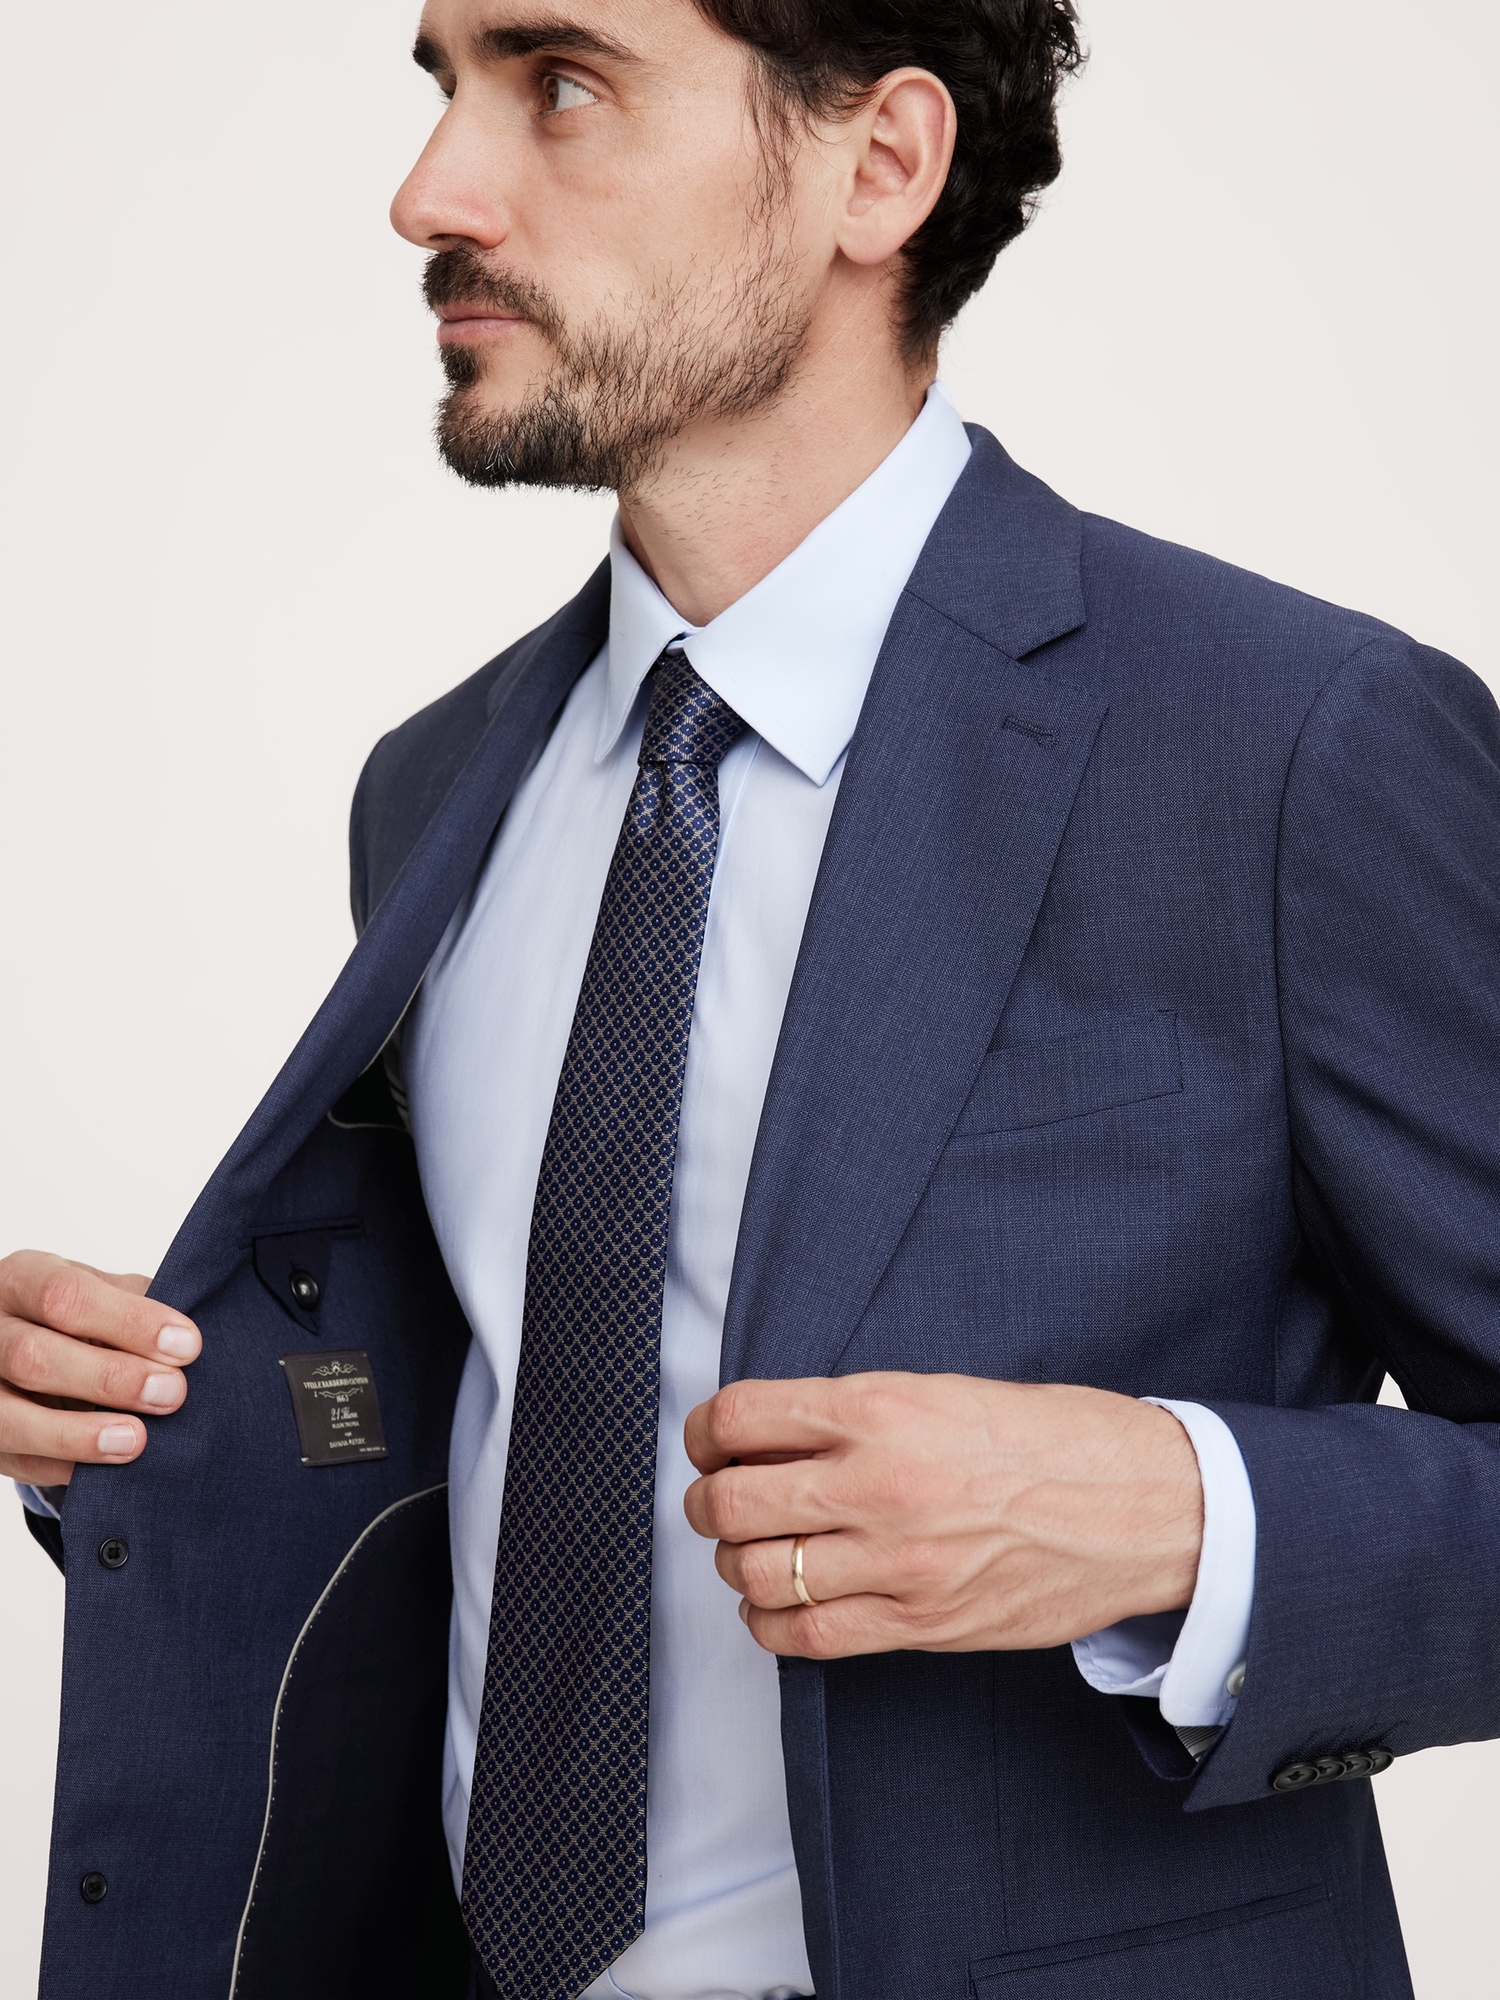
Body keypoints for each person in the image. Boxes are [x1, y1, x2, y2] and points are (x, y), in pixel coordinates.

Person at [4, 0, 1499, 1993]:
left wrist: (1187, 1518)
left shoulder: (1294, 746)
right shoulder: (435, 787)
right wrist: (154, 1431)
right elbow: (509, 1444)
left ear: (878, 166)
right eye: (444, 90)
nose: (429, 193)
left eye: (561, 85)